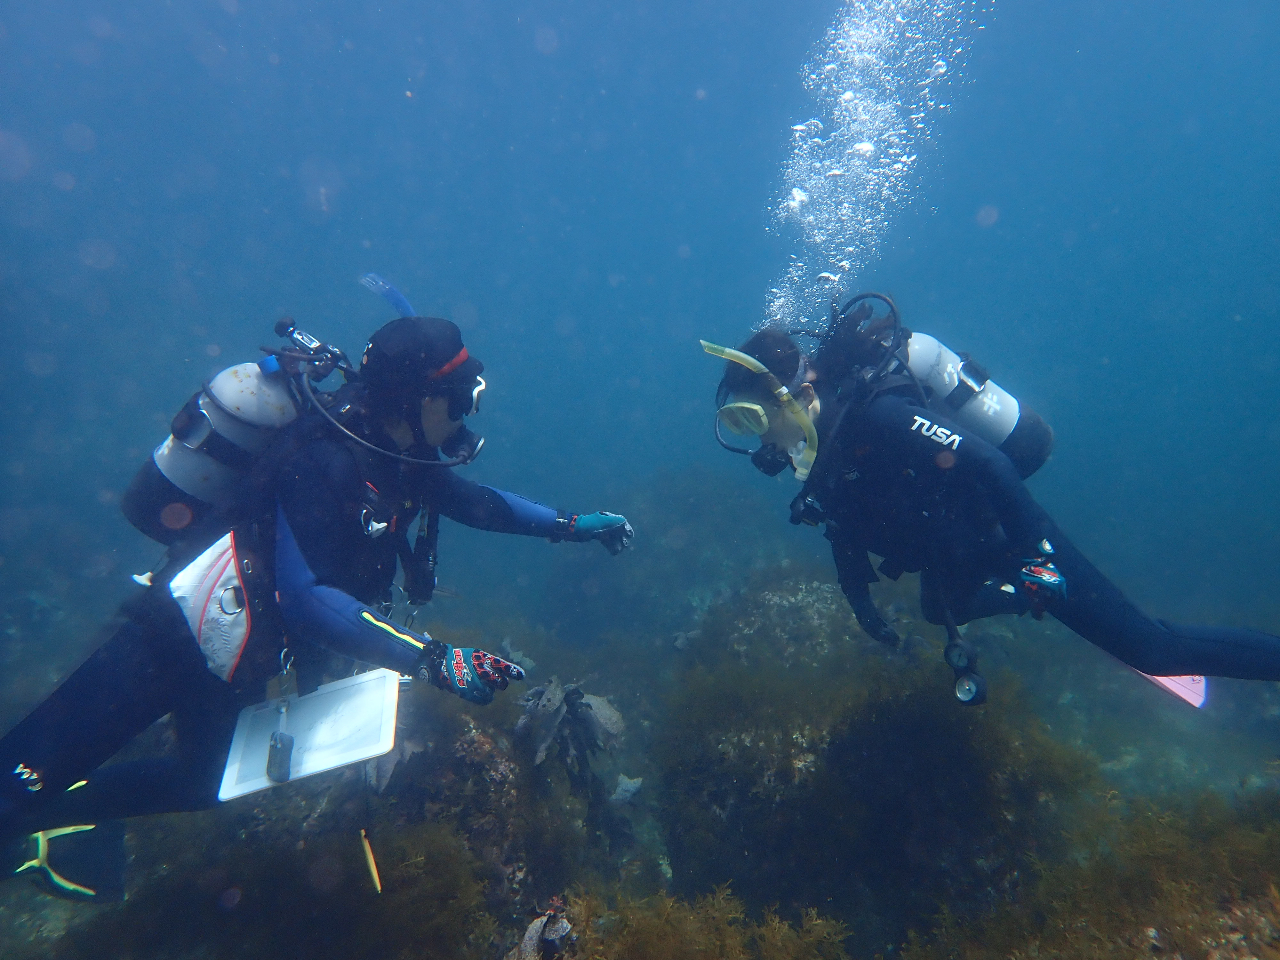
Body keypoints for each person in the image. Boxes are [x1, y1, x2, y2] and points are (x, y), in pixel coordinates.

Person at [0, 313, 633, 899]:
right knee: (18, 777)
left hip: (233, 650)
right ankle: (31, 811)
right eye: (466, 396)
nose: (469, 410)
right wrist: (433, 659)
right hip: (171, 636)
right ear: (420, 401)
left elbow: (480, 504)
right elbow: (305, 601)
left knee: (202, 780)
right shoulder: (325, 459)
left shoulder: (395, 453)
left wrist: (572, 524)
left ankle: (45, 829)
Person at [705, 292, 1280, 702]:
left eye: (751, 416)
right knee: (937, 608)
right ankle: (1035, 590)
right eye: (736, 422)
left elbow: (989, 462)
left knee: (1152, 650)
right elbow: (843, 528)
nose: (755, 435)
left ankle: (1049, 590)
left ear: (795, 393)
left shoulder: (876, 417)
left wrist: (1040, 557)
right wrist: (861, 602)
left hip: (1005, 527)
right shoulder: (822, 449)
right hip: (958, 537)